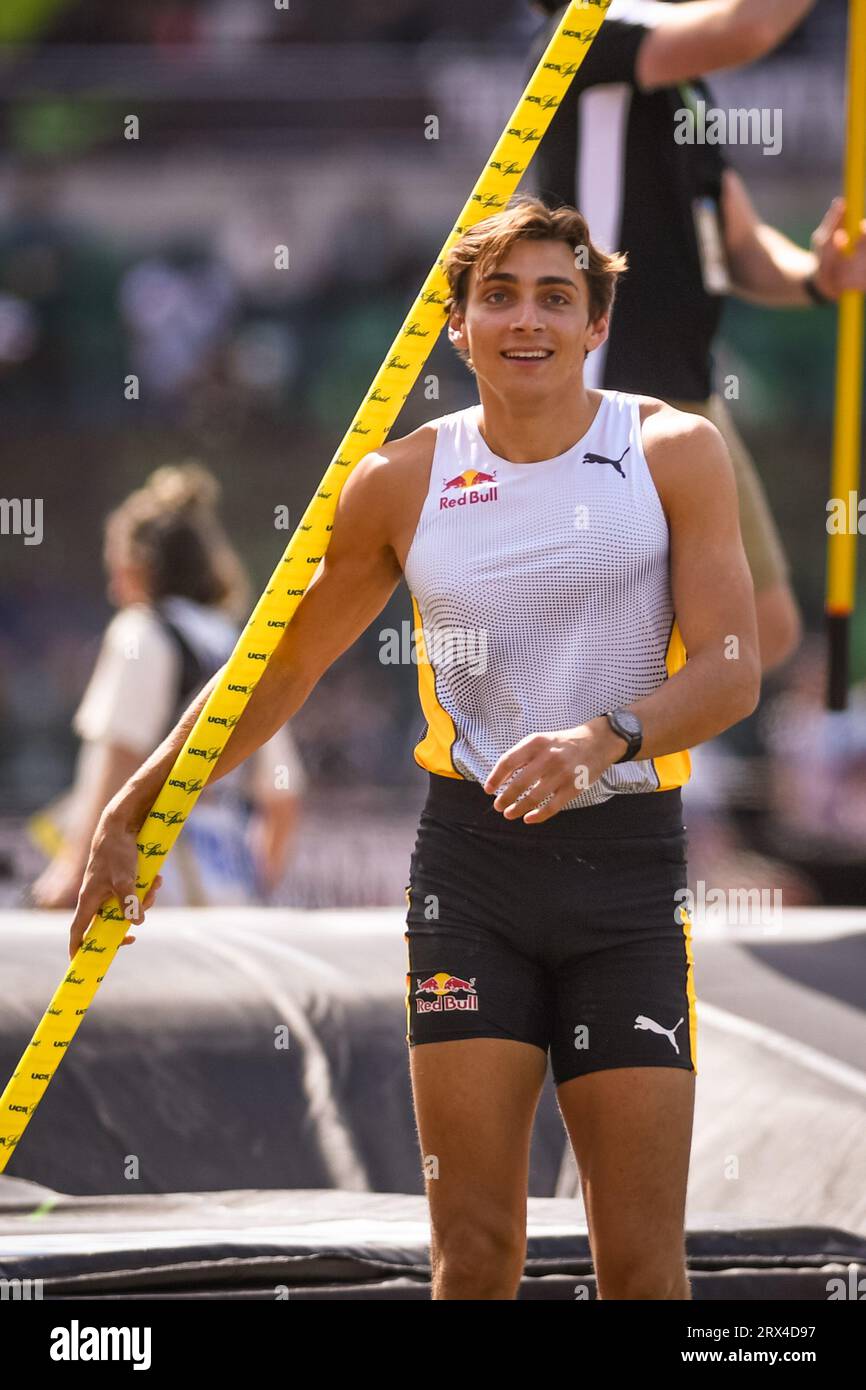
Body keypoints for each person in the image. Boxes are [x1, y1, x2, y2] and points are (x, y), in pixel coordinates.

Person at [68, 196, 760, 1298]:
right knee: (473, 1252)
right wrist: (137, 802)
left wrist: (601, 737)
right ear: (456, 324)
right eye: (498, 295)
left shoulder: (670, 451)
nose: (524, 319)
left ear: (593, 324)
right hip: (470, 876)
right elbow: (279, 668)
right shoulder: (399, 480)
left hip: (624, 872)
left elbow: (730, 668)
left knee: (637, 1260)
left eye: (553, 296)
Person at [528, 0, 866, 672]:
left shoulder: (683, 85)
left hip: (689, 391)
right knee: (623, 635)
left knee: (762, 630)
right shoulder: (592, 33)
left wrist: (819, 277)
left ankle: (627, 747)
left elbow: (736, 242)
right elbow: (749, 27)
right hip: (611, 392)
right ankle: (601, 753)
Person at [31, 463, 306, 912]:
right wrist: (252, 889)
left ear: (139, 566)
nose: (112, 585)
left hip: (149, 896)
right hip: (233, 901)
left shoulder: (142, 632)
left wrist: (73, 873)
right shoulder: (238, 641)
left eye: (115, 566)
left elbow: (120, 757)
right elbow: (283, 797)